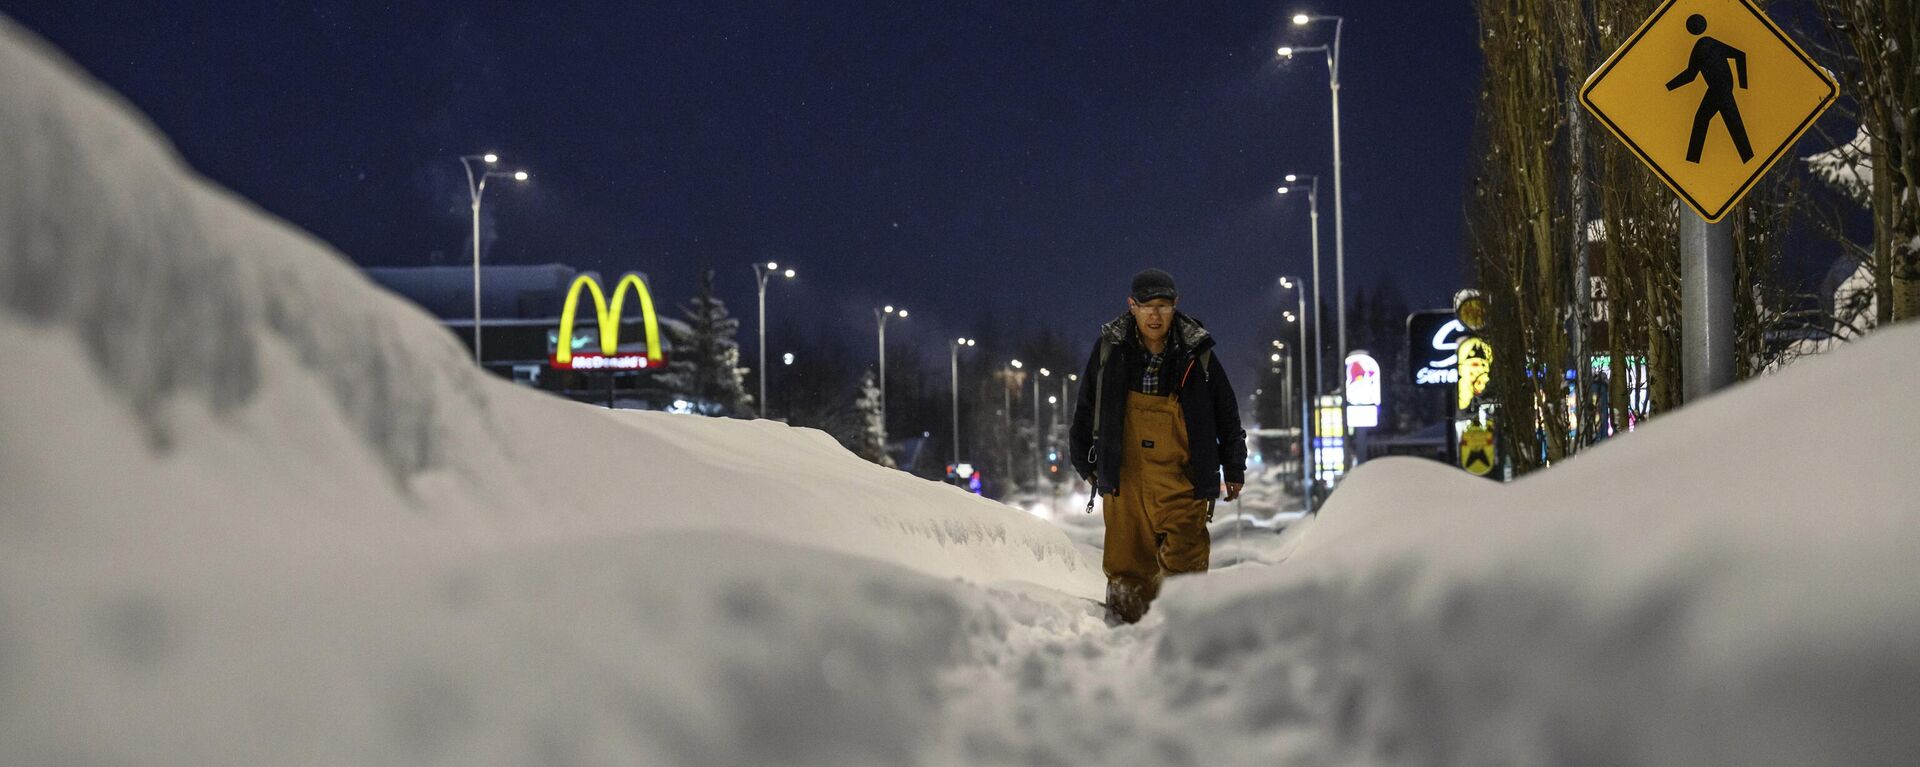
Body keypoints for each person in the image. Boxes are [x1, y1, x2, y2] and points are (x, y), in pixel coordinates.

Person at [1070, 268, 1247, 623]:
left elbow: (1226, 413)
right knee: (1127, 569)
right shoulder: (1110, 349)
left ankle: (1181, 638)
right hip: (1126, 478)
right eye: (1146, 306)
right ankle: (1126, 643)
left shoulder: (1198, 353)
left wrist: (1234, 466)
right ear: (1131, 306)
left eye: (1163, 306)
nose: (1155, 315)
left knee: (1186, 566)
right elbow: (1087, 405)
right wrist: (1083, 458)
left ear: (1175, 306)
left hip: (1183, 479)